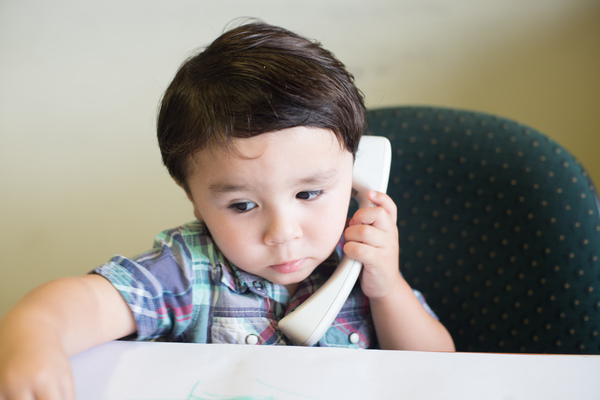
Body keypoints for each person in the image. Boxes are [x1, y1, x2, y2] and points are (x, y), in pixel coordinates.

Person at [0, 21, 454, 399]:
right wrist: (33, 335)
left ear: (355, 172)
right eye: (242, 205)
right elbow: (83, 304)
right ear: (193, 198)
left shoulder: (359, 258)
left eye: (309, 194)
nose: (283, 232)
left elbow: (439, 369)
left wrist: (388, 287)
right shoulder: (187, 270)